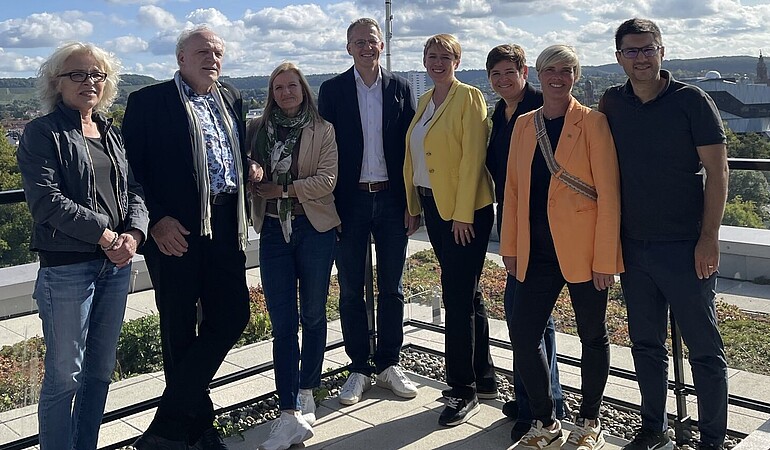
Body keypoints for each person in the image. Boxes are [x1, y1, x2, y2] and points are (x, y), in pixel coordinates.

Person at [123, 26, 261, 450]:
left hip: (224, 225)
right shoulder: (148, 102)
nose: (212, 58)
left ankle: (166, 427)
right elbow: (131, 173)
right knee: (179, 328)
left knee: (234, 314)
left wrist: (249, 165)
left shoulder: (231, 97)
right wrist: (157, 220)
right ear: (181, 58)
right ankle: (198, 428)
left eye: (218, 52)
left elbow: (225, 151)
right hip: (175, 232)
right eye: (202, 51)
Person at [599, 18, 729, 450]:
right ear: (619, 57)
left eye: (647, 48)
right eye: (631, 51)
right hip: (634, 246)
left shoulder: (692, 100)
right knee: (645, 344)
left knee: (705, 351)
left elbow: (718, 170)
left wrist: (709, 237)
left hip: (685, 246)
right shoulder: (612, 103)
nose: (640, 57)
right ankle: (654, 428)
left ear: (662, 50)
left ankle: (711, 439)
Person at [16, 42, 148, 450]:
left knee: (99, 372)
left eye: (97, 75)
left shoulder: (110, 131)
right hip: (67, 268)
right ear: (57, 82)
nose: (89, 82)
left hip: (116, 266)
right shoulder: (42, 132)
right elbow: (45, 201)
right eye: (78, 74)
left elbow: (135, 191)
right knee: (64, 376)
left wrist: (135, 234)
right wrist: (106, 236)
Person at [499, 44, 622, 449]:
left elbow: (608, 195)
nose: (557, 77)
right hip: (536, 251)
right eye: (550, 69)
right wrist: (511, 248)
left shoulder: (593, 123)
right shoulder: (523, 125)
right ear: (537, 74)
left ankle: (590, 422)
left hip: (585, 251)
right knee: (523, 333)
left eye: (566, 70)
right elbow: (513, 191)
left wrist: (606, 257)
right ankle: (545, 420)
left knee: (592, 335)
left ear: (576, 75)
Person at [318, 17, 419, 405]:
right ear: (349, 48)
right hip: (350, 202)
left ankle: (390, 362)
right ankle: (359, 367)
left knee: (392, 287)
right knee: (350, 289)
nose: (366, 47)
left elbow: (410, 150)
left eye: (372, 41)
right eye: (358, 42)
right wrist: (329, 207)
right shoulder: (332, 90)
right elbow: (323, 149)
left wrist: (412, 203)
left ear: (381, 44)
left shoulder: (401, 87)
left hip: (392, 200)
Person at [404, 33, 495, 427]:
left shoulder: (468, 97)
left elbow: (474, 157)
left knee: (456, 298)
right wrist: (413, 207)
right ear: (424, 60)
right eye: (431, 56)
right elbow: (417, 158)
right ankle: (485, 377)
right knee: (467, 294)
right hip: (433, 205)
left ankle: (462, 390)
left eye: (445, 56)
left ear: (457, 60)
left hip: (464, 211)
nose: (437, 62)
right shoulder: (425, 101)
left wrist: (462, 215)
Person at [248, 62, 339, 450]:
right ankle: (287, 413)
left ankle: (306, 389)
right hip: (272, 232)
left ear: (303, 90)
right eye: (278, 87)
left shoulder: (323, 129)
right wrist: (251, 167)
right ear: (271, 93)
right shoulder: (256, 131)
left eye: (292, 86)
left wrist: (281, 191)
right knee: (282, 322)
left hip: (314, 229)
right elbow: (247, 170)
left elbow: (327, 181)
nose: (286, 92)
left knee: (314, 314)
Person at [484, 44, 566, 441]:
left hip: (543, 227)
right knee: (522, 315)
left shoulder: (541, 107)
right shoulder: (498, 114)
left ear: (524, 72)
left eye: (508, 72)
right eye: (495, 75)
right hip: (513, 219)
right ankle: (537, 397)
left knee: (530, 320)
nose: (502, 80)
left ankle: (541, 406)